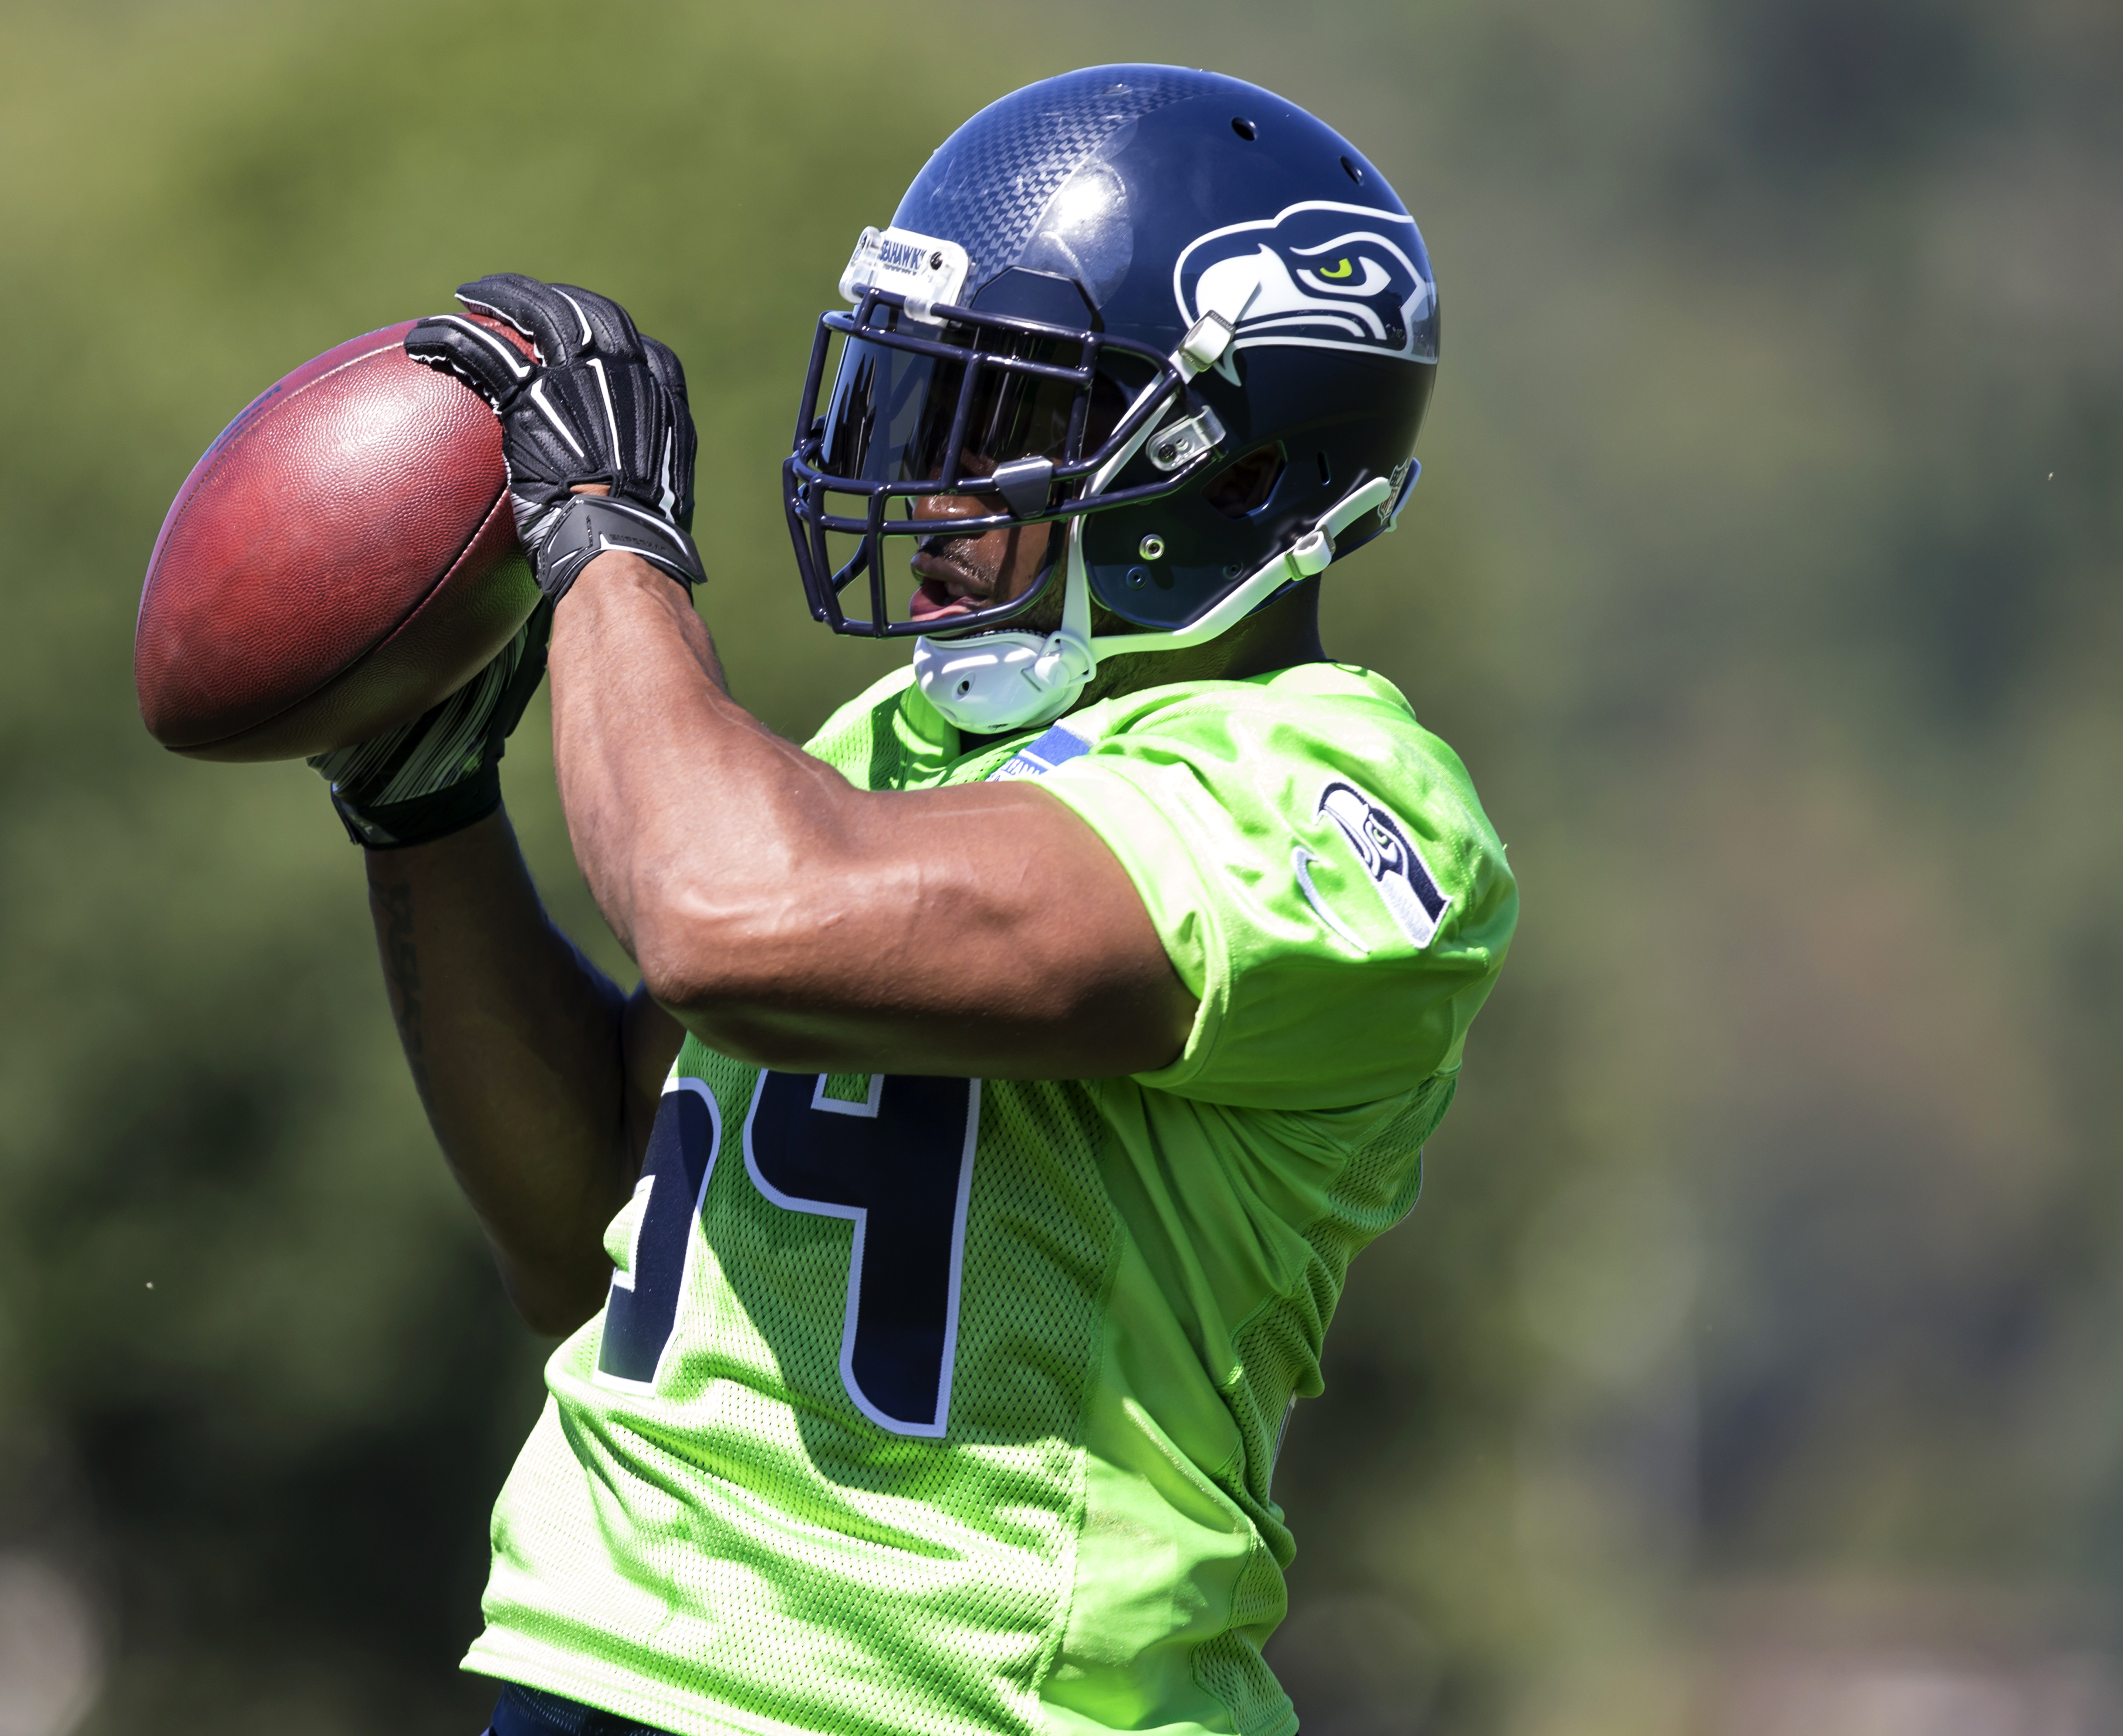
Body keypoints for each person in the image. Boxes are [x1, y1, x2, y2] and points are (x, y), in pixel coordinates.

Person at [307, 65, 1515, 1736]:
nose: (931, 488)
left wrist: (602, 542)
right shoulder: (907, 739)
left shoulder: (1336, 808)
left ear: (1233, 471)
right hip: (587, 1668)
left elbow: (723, 917)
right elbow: (582, 1229)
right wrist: (427, 818)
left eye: (1002, 430)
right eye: (917, 410)